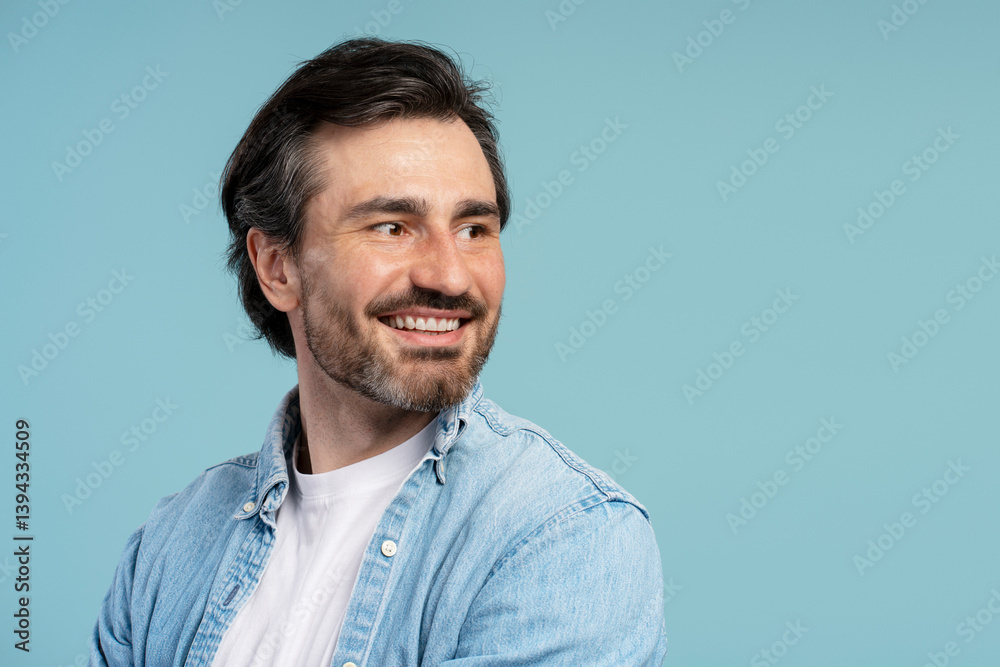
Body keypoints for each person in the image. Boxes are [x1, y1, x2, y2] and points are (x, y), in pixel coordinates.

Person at [91, 37, 667, 666]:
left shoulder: (563, 538)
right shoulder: (171, 547)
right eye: (391, 227)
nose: (450, 276)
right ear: (278, 266)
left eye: (474, 229)